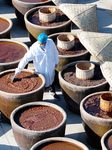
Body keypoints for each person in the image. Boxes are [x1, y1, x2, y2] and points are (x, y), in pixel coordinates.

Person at [12, 33, 60, 99]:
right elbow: (25, 59)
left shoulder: (50, 42)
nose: (40, 44)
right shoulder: (34, 48)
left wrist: (56, 62)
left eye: (42, 43)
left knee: (52, 79)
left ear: (46, 42)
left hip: (50, 66)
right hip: (41, 68)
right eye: (39, 42)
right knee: (42, 82)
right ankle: (41, 94)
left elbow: (55, 52)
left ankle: (52, 92)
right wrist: (19, 69)